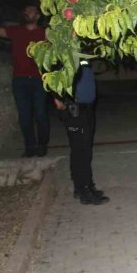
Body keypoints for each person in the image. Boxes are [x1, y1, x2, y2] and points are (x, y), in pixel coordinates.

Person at [0, 3, 50, 157]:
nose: (27, 12)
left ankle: (42, 145)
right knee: (24, 115)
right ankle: (29, 147)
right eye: (26, 10)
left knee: (40, 114)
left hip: (39, 79)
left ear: (37, 16)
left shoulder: (44, 33)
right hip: (19, 79)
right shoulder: (16, 31)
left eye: (31, 10)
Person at [53, 60, 109, 205]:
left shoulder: (82, 50)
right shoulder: (63, 50)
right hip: (75, 111)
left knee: (86, 150)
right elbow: (52, 78)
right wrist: (60, 103)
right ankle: (84, 190)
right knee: (80, 150)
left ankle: (86, 185)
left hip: (87, 109)